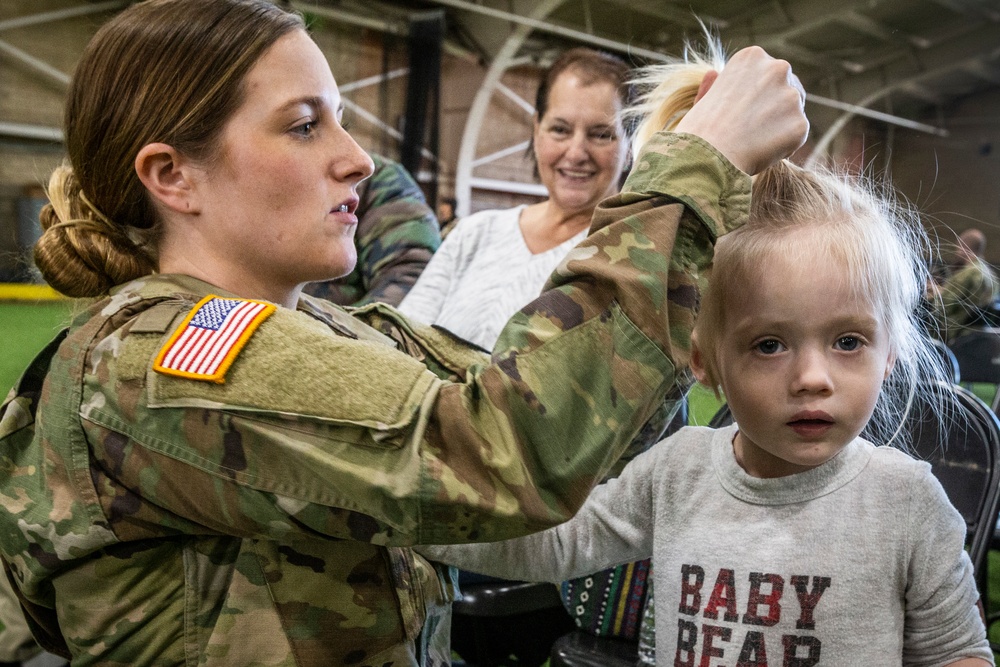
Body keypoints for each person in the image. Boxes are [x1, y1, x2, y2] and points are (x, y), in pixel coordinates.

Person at [0, 0, 809, 664]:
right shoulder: (168, 360)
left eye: (342, 120)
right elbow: (503, 448)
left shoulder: (317, 326)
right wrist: (694, 168)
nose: (359, 159)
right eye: (304, 124)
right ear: (173, 174)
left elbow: (544, 401)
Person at [418, 54, 993, 667]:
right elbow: (555, 543)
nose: (812, 379)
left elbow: (958, 651)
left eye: (848, 341)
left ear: (890, 355)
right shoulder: (679, 474)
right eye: (769, 344)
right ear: (702, 359)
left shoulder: (908, 502)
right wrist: (398, 511)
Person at [398, 47, 632, 351]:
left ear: (630, 145)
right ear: (537, 130)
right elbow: (402, 338)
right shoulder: (476, 233)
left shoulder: (623, 259)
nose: (576, 153)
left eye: (601, 134)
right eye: (560, 129)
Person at [303, 152, 441, 307]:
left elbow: (411, 279)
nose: (363, 164)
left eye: (344, 127)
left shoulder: (378, 180)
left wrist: (329, 329)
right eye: (306, 128)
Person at [928, 227, 1000, 341]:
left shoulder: (968, 274)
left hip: (955, 334)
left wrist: (932, 294)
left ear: (963, 247)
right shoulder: (991, 276)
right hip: (981, 336)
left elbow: (943, 306)